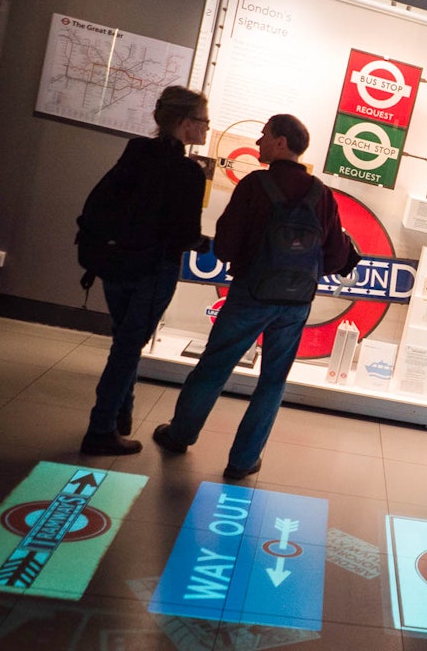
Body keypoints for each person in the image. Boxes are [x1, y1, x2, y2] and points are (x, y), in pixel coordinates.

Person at [151, 114, 359, 479]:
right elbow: (335, 257)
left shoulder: (255, 185)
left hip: (251, 293)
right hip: (295, 303)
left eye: (264, 136)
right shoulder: (320, 193)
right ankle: (244, 461)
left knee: (215, 367)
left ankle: (180, 434)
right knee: (273, 381)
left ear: (281, 143)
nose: (259, 142)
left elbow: (226, 247)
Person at [80, 86, 208, 456]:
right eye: (202, 121)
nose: (205, 128)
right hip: (153, 270)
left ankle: (121, 416)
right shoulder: (187, 171)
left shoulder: (136, 151)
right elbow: (184, 234)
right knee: (127, 347)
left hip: (114, 263)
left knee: (125, 340)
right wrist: (202, 243)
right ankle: (100, 428)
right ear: (185, 124)